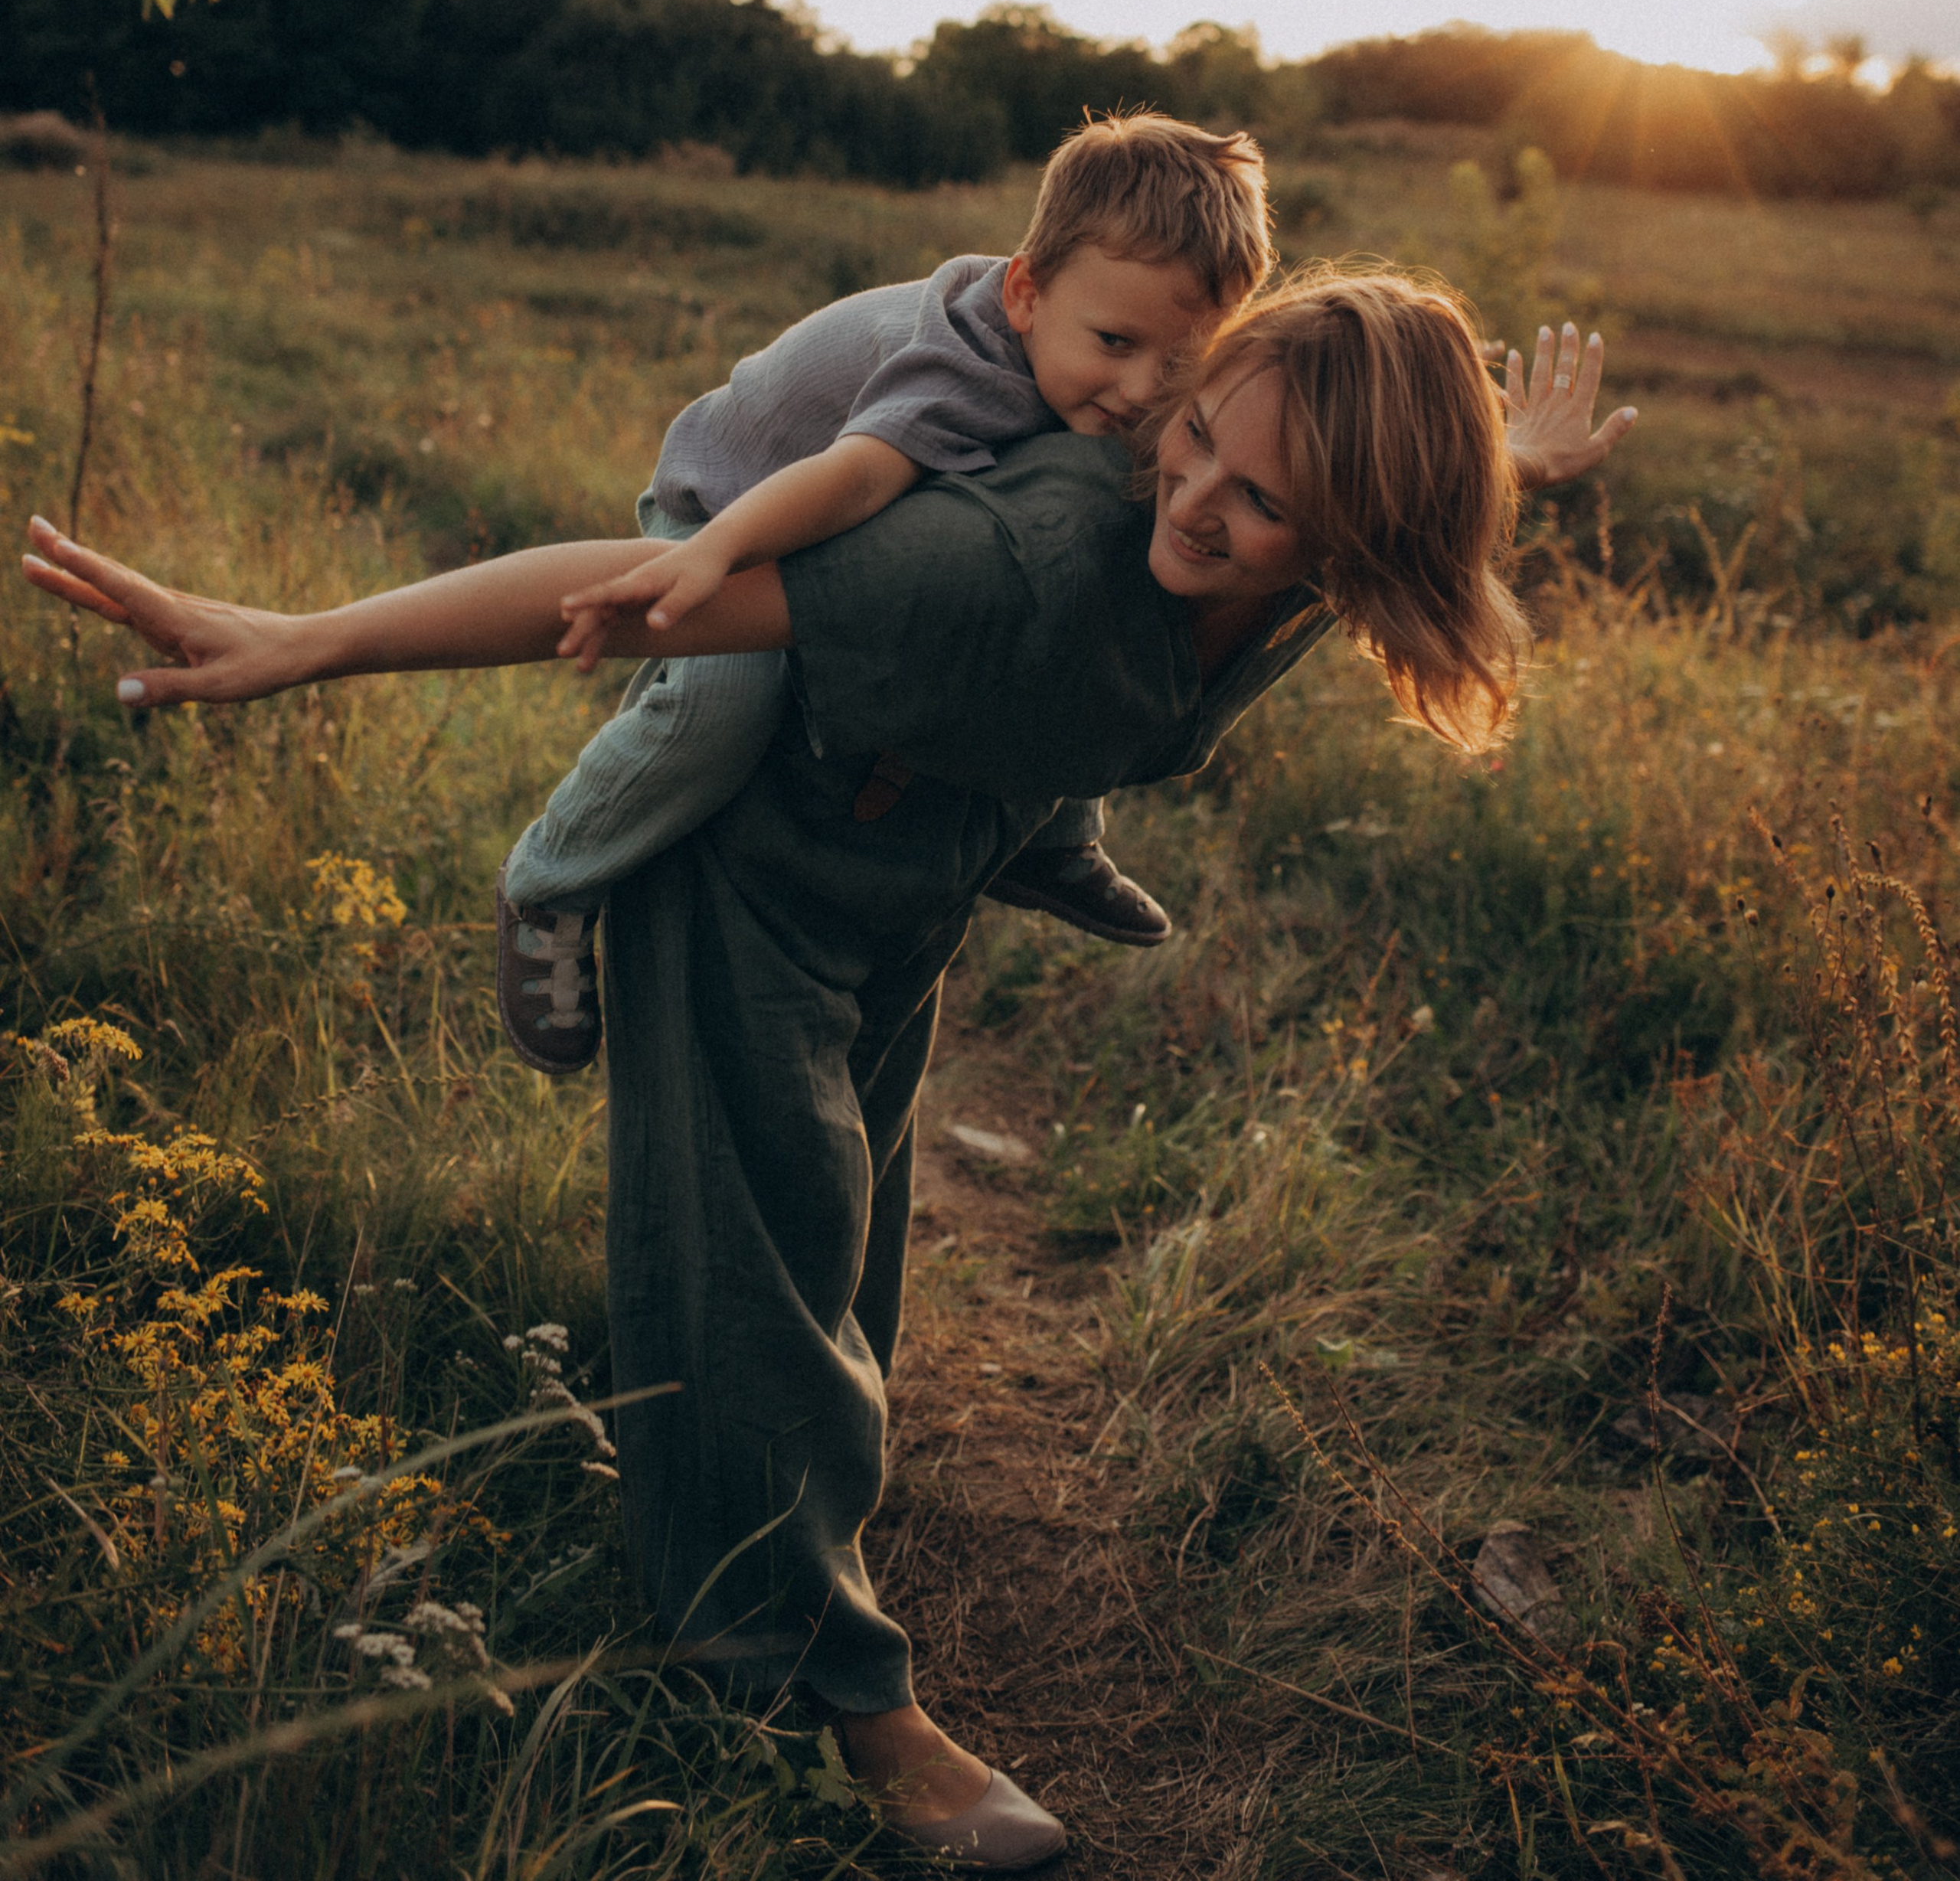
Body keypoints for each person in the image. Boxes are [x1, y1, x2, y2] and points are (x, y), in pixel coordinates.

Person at [21, 279, 1632, 1871]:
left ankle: (771, 1517)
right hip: (752, 868)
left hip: (911, 877)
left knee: (838, 1252)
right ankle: (816, 1697)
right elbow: (648, 597)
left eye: (1261, 497)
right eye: (1194, 434)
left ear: (1368, 536)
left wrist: (1512, 459)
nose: (1191, 490)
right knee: (758, 1277)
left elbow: (1380, 491)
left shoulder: (1319, 559)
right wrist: (298, 641)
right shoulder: (1015, 558)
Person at [495, 112, 1273, 1076]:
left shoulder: (1085, 354)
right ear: (1025, 293)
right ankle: (551, 880)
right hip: (739, 503)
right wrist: (716, 554)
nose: (1142, 388)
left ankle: (1053, 839)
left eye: (1180, 364)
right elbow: (858, 479)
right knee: (732, 693)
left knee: (1073, 585)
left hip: (866, 509)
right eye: (1114, 342)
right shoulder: (962, 368)